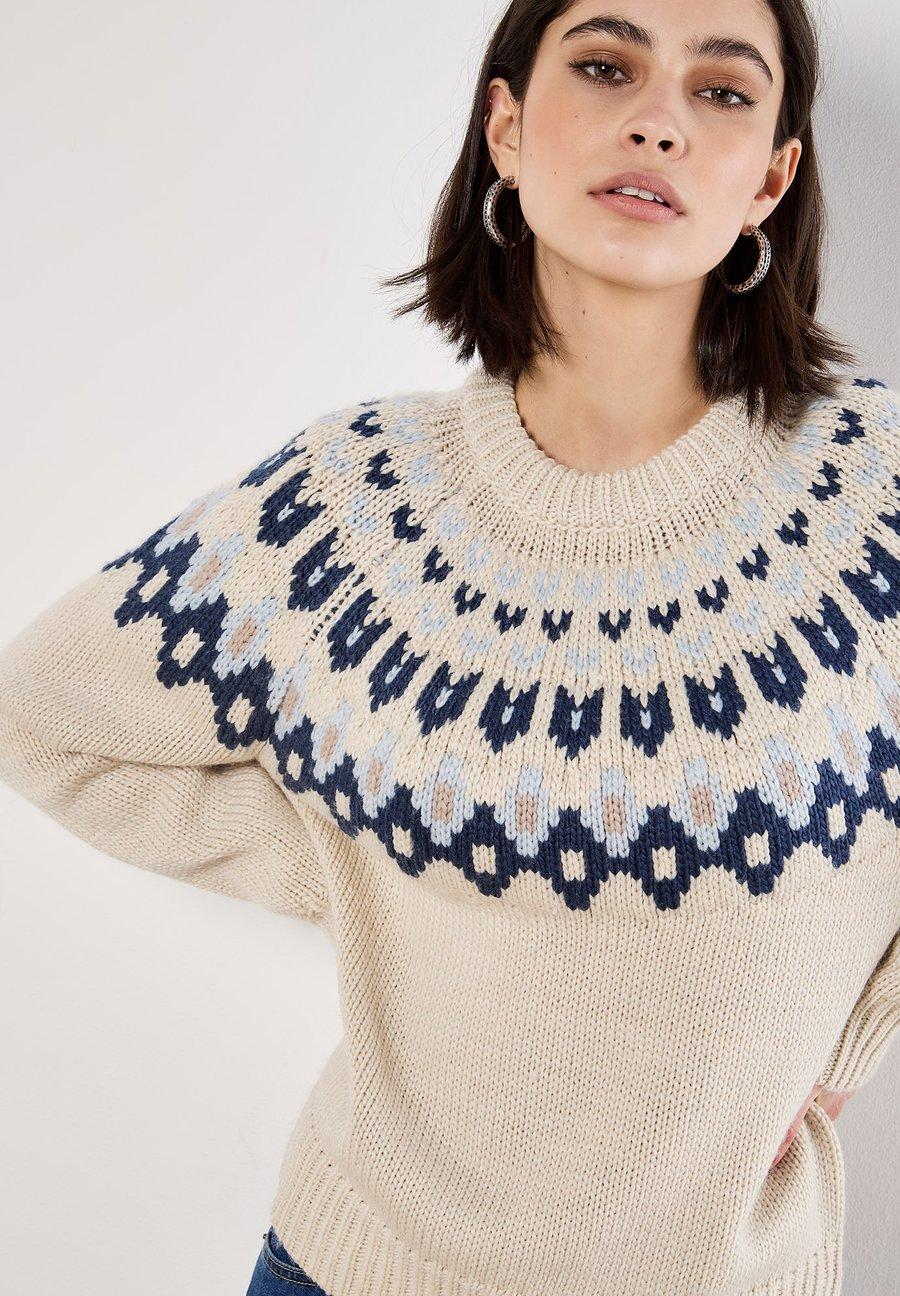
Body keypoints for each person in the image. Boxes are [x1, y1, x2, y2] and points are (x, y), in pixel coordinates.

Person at [0, 2, 897, 1294]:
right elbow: (43, 716)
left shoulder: (875, 489)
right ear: (507, 127)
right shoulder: (353, 500)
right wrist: (364, 869)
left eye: (721, 91)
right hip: (358, 1264)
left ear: (771, 178)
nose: (658, 118)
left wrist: (858, 1028)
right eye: (607, 66)